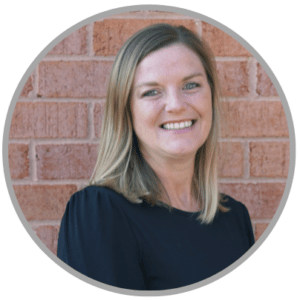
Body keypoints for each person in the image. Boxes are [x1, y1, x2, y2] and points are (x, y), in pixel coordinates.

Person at [57, 23, 255, 290]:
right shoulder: (99, 212)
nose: (175, 105)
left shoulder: (235, 218)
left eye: (191, 85)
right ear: (126, 111)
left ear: (211, 96)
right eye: (151, 92)